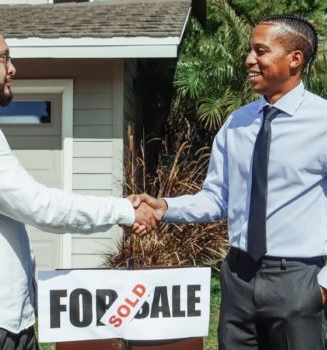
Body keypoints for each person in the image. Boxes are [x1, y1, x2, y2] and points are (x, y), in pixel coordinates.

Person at [133, 14, 327, 350]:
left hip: (299, 280)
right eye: (250, 50)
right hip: (238, 278)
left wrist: (321, 286)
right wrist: (165, 207)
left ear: (295, 59)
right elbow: (216, 198)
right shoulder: (237, 123)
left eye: (260, 51)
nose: (249, 60)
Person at [0, 20, 160, 350]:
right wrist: (123, 210)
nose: (12, 68)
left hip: (3, 323)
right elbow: (38, 205)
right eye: (3, 57)